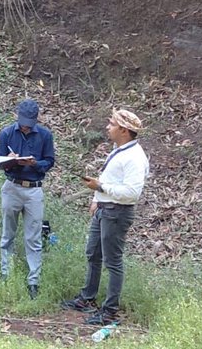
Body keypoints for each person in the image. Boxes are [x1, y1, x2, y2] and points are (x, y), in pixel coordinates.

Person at [62, 108, 150, 325]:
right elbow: (108, 177)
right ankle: (87, 298)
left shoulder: (134, 158)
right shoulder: (119, 149)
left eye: (111, 124)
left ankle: (109, 311)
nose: (107, 127)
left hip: (117, 213)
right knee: (93, 253)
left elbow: (131, 193)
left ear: (123, 130)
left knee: (113, 261)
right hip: (104, 209)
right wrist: (96, 197)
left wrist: (100, 186)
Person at [0, 100, 56, 299]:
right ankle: (6, 275)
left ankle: (33, 281)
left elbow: (49, 161)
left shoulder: (45, 135)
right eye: (23, 121)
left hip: (33, 190)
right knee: (8, 234)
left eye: (29, 123)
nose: (25, 126)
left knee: (34, 237)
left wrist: (34, 163)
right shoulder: (7, 134)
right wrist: (11, 161)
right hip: (12, 186)